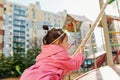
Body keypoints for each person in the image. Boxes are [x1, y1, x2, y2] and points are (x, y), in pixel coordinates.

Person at [20, 25, 84, 80]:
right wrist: (80, 54)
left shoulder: (44, 53)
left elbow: (59, 65)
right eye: (66, 41)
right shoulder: (61, 54)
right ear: (58, 42)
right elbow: (74, 64)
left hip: (29, 76)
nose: (68, 44)